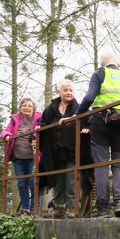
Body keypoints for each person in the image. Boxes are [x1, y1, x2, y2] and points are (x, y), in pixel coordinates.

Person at [77, 51, 120, 218]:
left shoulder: (101, 73)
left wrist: (78, 114)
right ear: (119, 64)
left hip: (100, 123)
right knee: (119, 165)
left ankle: (102, 208)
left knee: (101, 164)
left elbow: (88, 98)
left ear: (103, 64)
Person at [39, 82, 80, 218]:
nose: (68, 92)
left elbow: (85, 120)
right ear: (59, 92)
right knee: (58, 180)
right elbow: (43, 123)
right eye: (65, 90)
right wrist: (38, 131)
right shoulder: (51, 108)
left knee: (71, 179)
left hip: (72, 150)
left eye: (71, 90)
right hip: (55, 151)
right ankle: (59, 208)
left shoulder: (77, 107)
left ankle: (72, 208)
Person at [1, 97, 41, 214]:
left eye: (29, 106)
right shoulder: (15, 119)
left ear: (33, 109)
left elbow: (44, 132)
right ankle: (26, 208)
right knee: (21, 183)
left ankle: (35, 209)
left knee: (33, 182)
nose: (27, 108)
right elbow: (5, 131)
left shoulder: (39, 118)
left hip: (32, 156)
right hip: (17, 157)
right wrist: (7, 135)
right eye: (24, 105)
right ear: (20, 107)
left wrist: (37, 139)